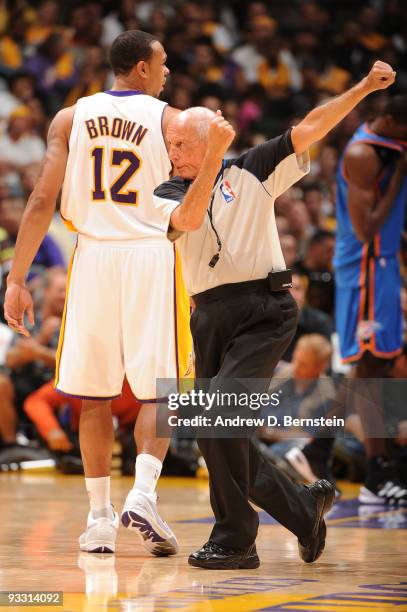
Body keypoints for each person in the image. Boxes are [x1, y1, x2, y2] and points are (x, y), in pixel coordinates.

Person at [154, 61, 397, 569]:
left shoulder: (253, 167)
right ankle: (303, 508)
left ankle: (236, 539)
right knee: (217, 428)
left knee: (219, 414)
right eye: (170, 144)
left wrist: (362, 88)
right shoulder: (168, 190)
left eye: (181, 144)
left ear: (208, 139)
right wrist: (211, 160)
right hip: (209, 316)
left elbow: (311, 126)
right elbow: (189, 220)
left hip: (264, 310)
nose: (171, 153)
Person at [4, 30, 232, 557]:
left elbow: (41, 198)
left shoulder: (69, 117)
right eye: (164, 63)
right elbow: (196, 196)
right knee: (163, 388)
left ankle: (100, 517)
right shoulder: (171, 120)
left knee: (94, 394)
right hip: (152, 252)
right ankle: (145, 494)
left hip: (92, 255)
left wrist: (16, 279)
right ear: (143, 69)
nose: (169, 71)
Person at [293, 95, 407, 505]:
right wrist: (399, 175)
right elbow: (366, 227)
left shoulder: (387, 146)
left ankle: (319, 448)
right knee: (369, 363)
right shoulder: (363, 154)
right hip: (364, 266)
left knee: (373, 363)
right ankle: (376, 473)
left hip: (384, 263)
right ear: (391, 121)